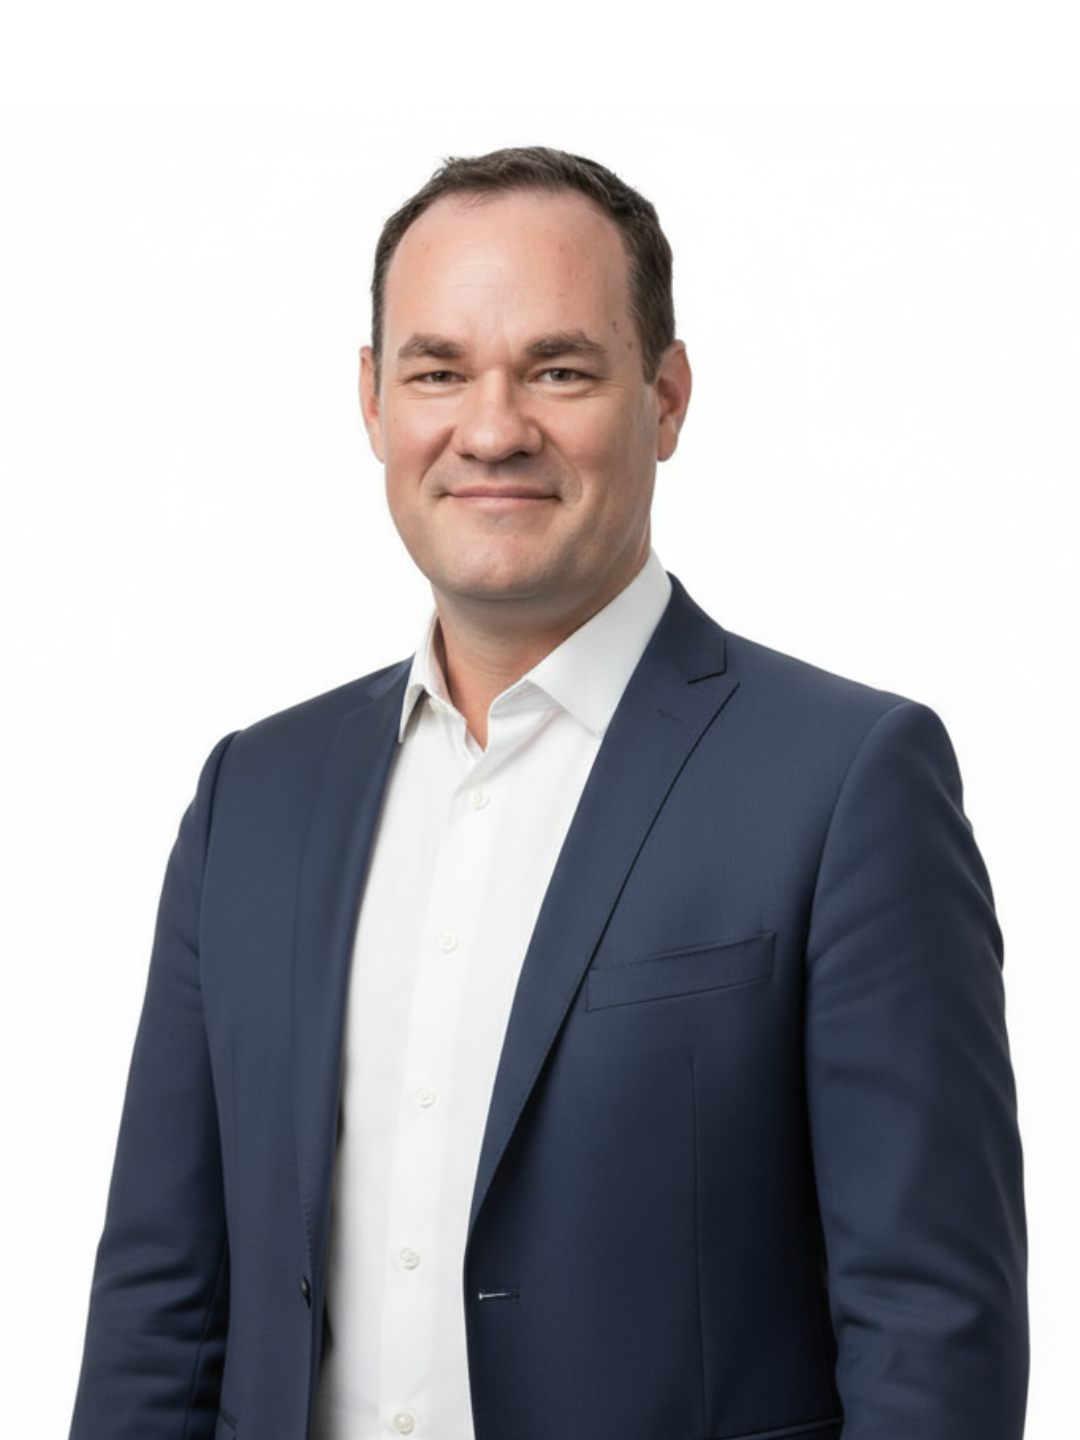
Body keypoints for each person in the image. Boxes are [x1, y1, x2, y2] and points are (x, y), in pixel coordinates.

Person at [69, 146, 1028, 1440]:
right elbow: (160, 1312)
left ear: (666, 399)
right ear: (371, 403)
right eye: (438, 371)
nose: (492, 428)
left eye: (559, 370)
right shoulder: (255, 795)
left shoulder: (847, 783)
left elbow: (931, 1337)